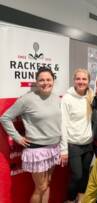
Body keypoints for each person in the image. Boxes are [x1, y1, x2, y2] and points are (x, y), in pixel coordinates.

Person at [0, 67, 68, 203]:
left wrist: (62, 147)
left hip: (53, 148)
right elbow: (5, 118)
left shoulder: (56, 98)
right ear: (36, 82)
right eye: (41, 80)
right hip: (36, 150)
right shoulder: (27, 99)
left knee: (47, 183)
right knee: (41, 187)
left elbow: (61, 123)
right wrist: (17, 137)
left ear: (53, 81)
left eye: (48, 79)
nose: (45, 83)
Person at [61, 68, 94, 203]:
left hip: (89, 144)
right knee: (77, 175)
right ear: (74, 80)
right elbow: (63, 124)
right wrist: (63, 149)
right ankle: (69, 200)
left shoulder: (92, 96)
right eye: (78, 79)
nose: (81, 81)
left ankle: (81, 200)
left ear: (88, 81)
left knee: (86, 175)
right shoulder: (67, 98)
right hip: (73, 144)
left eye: (84, 79)